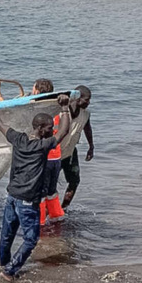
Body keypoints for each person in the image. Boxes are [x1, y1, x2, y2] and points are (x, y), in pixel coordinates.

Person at [0, 95, 70, 281]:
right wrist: (64, 107)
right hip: (27, 201)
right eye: (49, 128)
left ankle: (4, 264)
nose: (52, 130)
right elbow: (64, 131)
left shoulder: (18, 139)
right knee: (31, 240)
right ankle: (9, 271)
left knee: (7, 236)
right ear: (40, 128)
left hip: (12, 196)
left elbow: (0, 125)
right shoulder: (42, 146)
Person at [41, 85, 94, 223]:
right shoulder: (61, 113)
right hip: (54, 155)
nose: (88, 103)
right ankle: (44, 212)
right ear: (77, 98)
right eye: (86, 99)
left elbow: (87, 128)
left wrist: (91, 146)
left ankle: (63, 208)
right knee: (48, 186)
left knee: (74, 181)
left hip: (70, 153)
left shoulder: (85, 114)